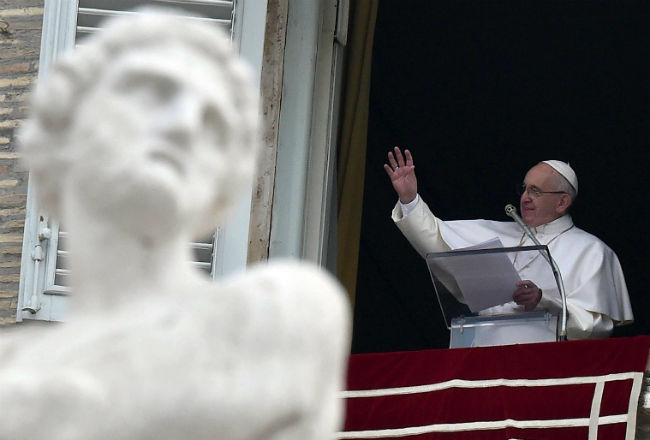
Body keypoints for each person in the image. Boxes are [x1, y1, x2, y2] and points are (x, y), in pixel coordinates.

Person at [0, 10, 350, 440]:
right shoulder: (12, 367)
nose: (185, 125)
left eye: (213, 125)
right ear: (66, 122)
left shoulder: (273, 316)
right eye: (152, 91)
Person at [384, 146, 633, 340]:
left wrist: (543, 301)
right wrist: (409, 199)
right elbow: (437, 240)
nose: (525, 198)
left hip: (545, 365)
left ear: (562, 202)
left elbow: (597, 327)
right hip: (484, 355)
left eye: (536, 191)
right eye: (524, 189)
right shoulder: (498, 232)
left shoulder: (591, 251)